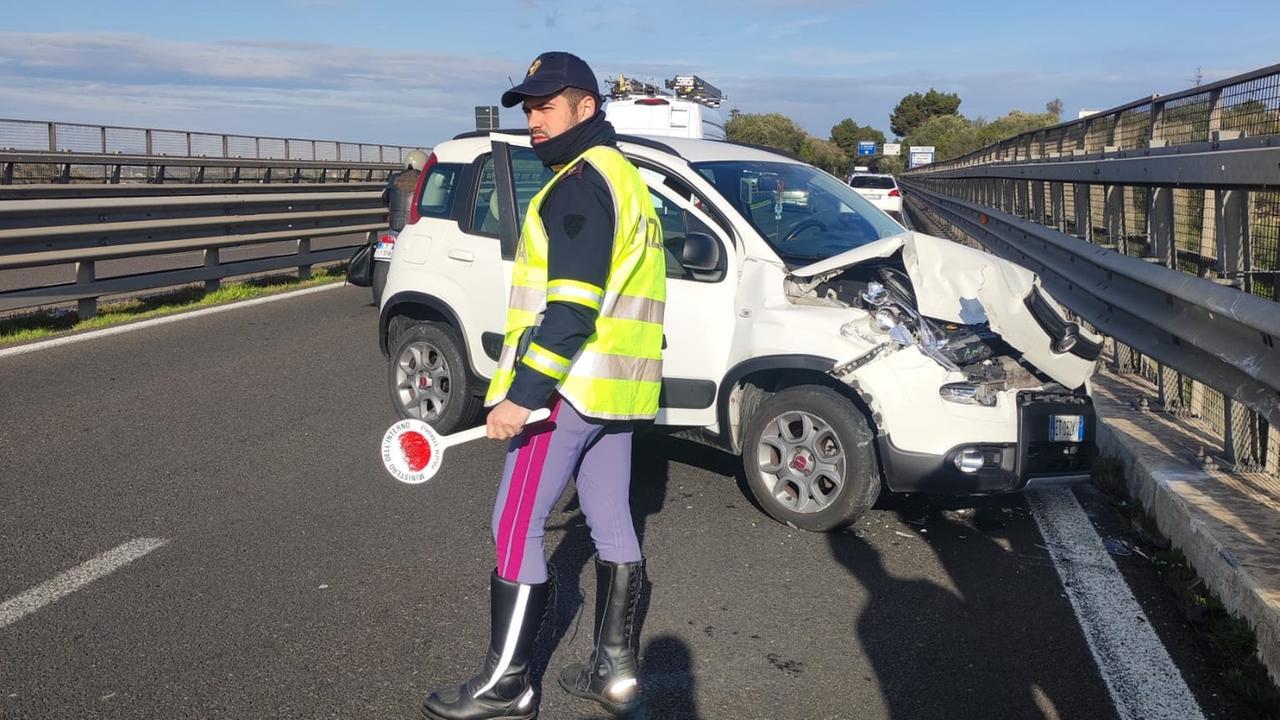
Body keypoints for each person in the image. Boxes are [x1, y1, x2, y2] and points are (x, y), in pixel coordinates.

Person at [420, 51, 666, 720]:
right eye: (527, 107)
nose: (533, 119)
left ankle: (508, 685)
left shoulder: (579, 184)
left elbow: (570, 312)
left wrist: (522, 395)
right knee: (610, 515)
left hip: (566, 391)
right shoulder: (625, 177)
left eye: (546, 106)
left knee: (513, 524)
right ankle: (615, 674)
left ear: (587, 108)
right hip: (616, 392)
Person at [387, 149, 428, 232]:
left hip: (395, 226)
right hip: (413, 228)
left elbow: (384, 198)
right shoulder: (423, 179)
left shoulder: (394, 177)